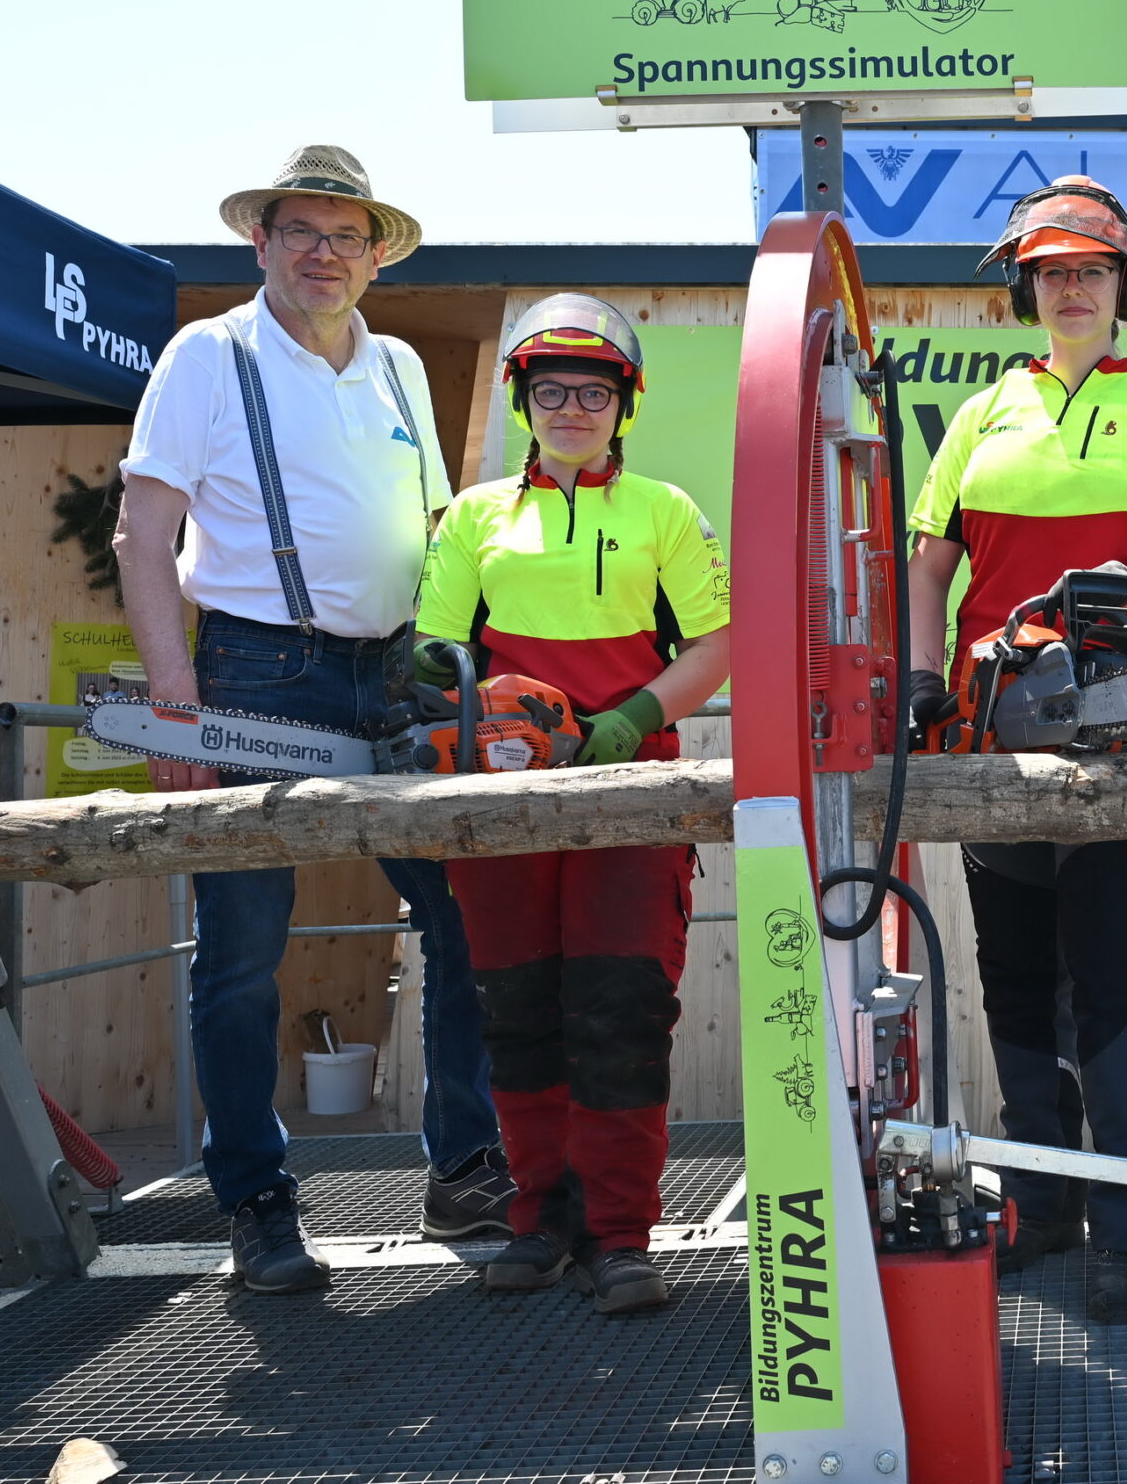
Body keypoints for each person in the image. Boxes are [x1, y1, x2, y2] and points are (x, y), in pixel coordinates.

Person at [113, 145, 509, 1293]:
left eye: (347, 234)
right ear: (261, 243)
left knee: (461, 912)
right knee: (240, 947)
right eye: (302, 230)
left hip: (396, 675)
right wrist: (175, 701)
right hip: (249, 671)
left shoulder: (392, 366)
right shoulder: (207, 354)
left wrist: (459, 675)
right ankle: (255, 1198)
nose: (324, 253)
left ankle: (465, 1164)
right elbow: (144, 534)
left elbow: (439, 535)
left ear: (377, 252)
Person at [904, 177, 1127, 1325]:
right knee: (1015, 982)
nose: (1071, 288)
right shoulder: (984, 410)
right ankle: (1041, 1202)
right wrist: (922, 673)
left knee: (1114, 978)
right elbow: (930, 562)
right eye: (1051, 271)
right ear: (1026, 286)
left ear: (1123, 283)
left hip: (1115, 728)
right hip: (992, 731)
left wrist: (1105, 588)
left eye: (1090, 270)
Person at [415, 296, 730, 1316]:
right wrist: (478, 708)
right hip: (499, 799)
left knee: (621, 1009)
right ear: (523, 399)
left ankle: (620, 1231)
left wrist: (630, 716)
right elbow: (435, 651)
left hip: (636, 793)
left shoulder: (665, 512)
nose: (570, 407)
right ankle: (537, 1216)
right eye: (550, 389)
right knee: (518, 1013)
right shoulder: (474, 516)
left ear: (623, 402)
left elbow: (717, 644)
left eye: (592, 390)